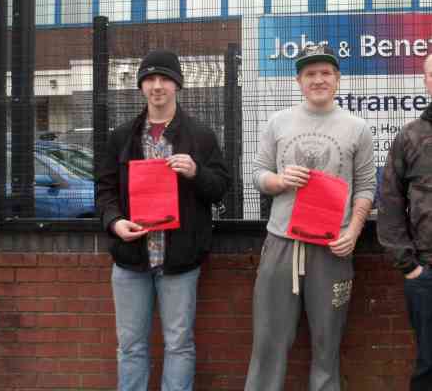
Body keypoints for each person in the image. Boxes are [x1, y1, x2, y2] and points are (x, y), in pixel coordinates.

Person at [245, 44, 376, 391]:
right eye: (310, 74)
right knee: (269, 342)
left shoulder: (357, 128)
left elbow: (365, 186)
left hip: (332, 248)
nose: (318, 79)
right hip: (282, 244)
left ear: (337, 79)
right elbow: (258, 173)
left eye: (325, 73)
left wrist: (354, 229)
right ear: (299, 80)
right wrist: (279, 180)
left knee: (327, 344)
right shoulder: (278, 122)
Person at [97, 49, 230, 391]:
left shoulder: (200, 135)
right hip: (131, 260)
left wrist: (196, 172)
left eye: (165, 79)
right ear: (141, 86)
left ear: (177, 85)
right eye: (150, 79)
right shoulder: (122, 136)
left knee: (179, 345)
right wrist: (114, 222)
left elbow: (220, 188)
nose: (157, 86)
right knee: (130, 347)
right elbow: (105, 190)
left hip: (180, 260)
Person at [377, 53, 432, 391]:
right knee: (428, 365)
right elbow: (390, 203)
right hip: (427, 272)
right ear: (426, 82)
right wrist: (410, 266)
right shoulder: (410, 138)